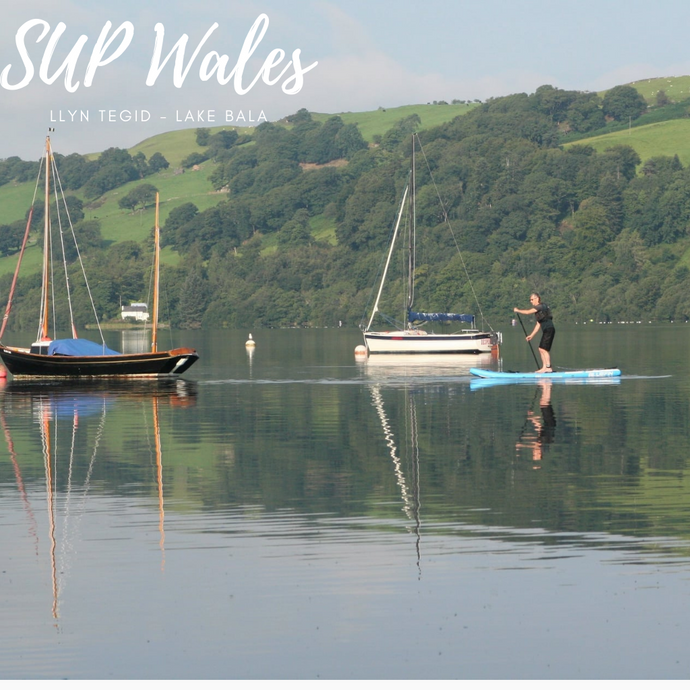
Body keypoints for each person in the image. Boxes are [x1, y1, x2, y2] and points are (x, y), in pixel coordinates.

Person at [514, 293, 555, 373]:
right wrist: (531, 336)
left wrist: (518, 310)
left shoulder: (541, 306)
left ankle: (548, 367)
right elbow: (538, 325)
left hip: (549, 329)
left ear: (537, 298)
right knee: (541, 349)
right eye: (530, 300)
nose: (531, 301)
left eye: (532, 299)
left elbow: (528, 312)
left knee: (543, 349)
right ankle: (544, 367)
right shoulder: (539, 312)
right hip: (547, 330)